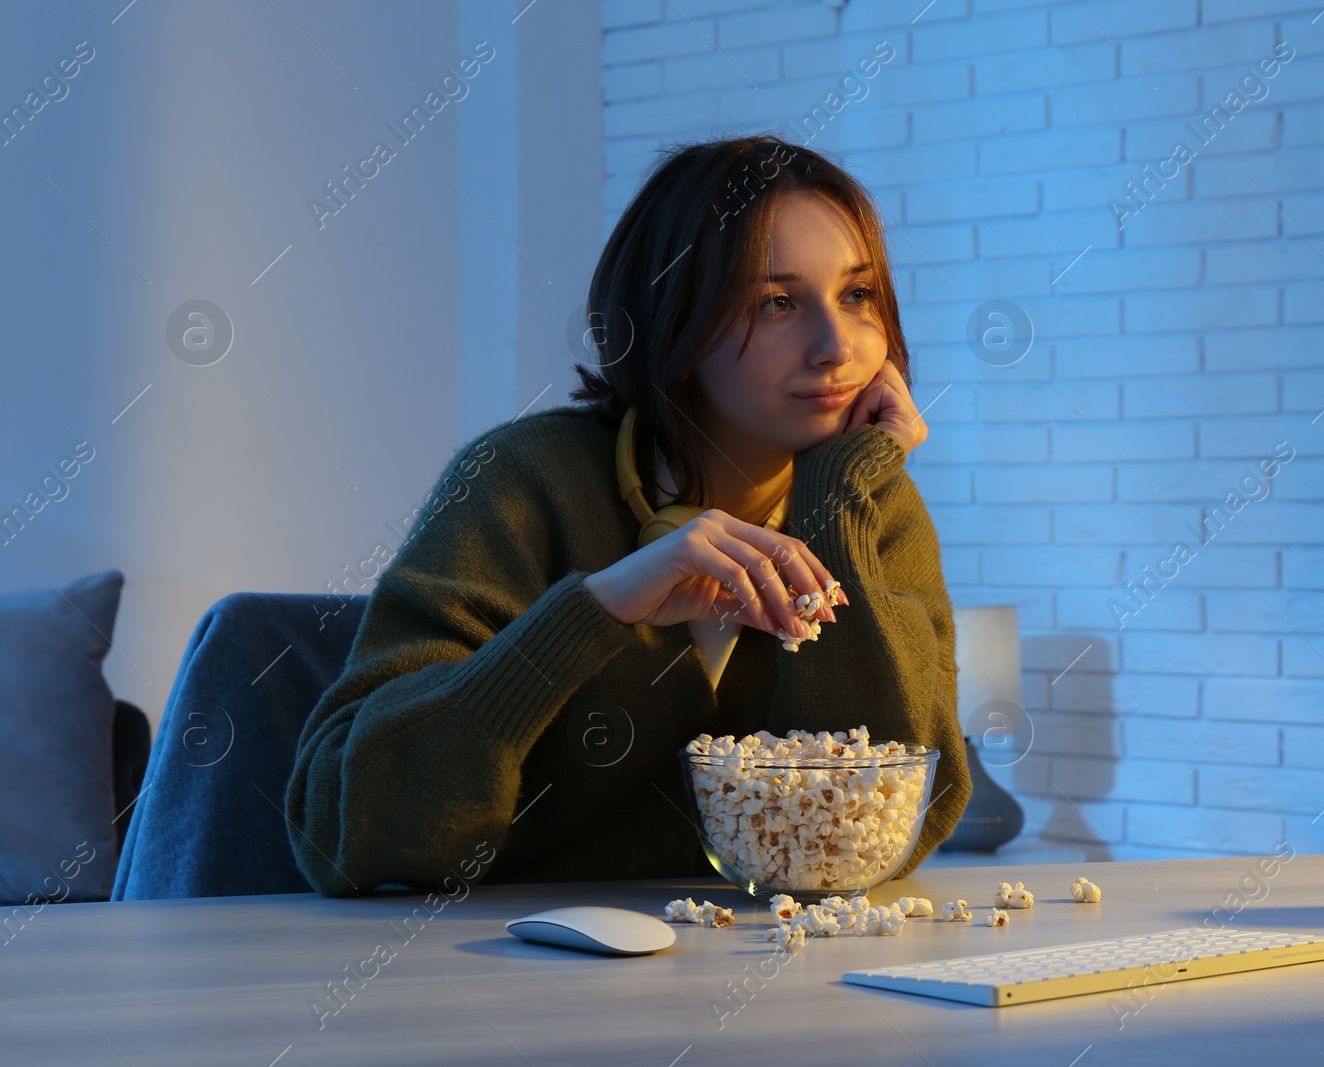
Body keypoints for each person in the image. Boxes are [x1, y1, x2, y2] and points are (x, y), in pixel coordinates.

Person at [284, 134, 970, 896]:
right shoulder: (522, 482)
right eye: (777, 303)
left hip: (768, 977)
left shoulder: (873, 505)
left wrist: (839, 501)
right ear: (674, 328)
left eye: (857, 295)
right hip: (496, 975)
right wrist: (597, 609)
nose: (835, 346)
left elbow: (880, 832)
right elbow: (345, 830)